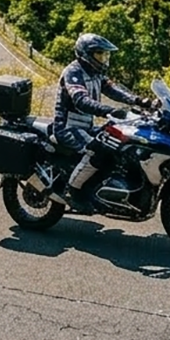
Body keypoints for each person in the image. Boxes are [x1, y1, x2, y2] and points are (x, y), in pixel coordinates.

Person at [52, 33, 152, 213]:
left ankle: (101, 188)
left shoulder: (96, 73)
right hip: (67, 127)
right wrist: (109, 110)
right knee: (96, 149)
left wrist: (139, 101)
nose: (104, 58)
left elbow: (114, 90)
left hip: (86, 126)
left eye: (105, 54)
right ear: (86, 54)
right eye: (100, 53)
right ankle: (72, 191)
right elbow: (81, 101)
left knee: (116, 144)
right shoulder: (73, 72)